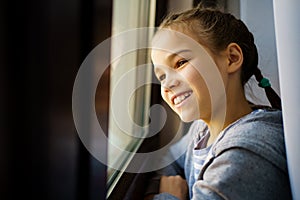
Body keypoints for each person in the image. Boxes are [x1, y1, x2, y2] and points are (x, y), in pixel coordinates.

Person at [145, 5, 292, 200]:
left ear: (231, 58)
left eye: (180, 63)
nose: (168, 84)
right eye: (162, 76)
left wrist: (168, 196)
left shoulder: (245, 152)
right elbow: (169, 158)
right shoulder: (201, 131)